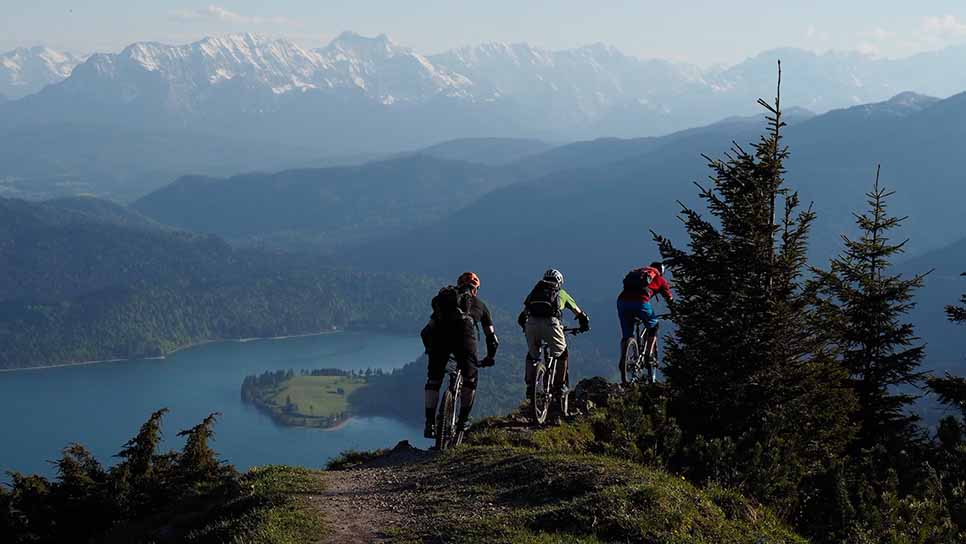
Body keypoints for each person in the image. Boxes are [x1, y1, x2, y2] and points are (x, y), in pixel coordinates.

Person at [421, 271, 498, 439]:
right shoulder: (480, 305)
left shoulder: (443, 306)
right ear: (475, 289)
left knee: (433, 381)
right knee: (470, 380)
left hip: (439, 338)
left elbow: (426, 332)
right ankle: (463, 420)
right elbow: (492, 339)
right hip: (464, 337)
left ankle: (430, 423)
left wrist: (431, 350)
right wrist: (489, 357)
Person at [517, 269, 590, 405]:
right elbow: (579, 313)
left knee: (532, 355)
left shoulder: (535, 292)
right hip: (551, 324)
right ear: (559, 282)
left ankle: (530, 385)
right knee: (562, 353)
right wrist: (584, 324)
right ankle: (560, 385)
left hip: (531, 324)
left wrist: (526, 328)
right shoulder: (561, 293)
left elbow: (522, 316)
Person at [617, 261, 673, 384]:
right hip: (641, 302)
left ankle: (624, 358)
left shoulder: (638, 272)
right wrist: (673, 310)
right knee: (654, 325)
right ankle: (648, 355)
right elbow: (669, 298)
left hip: (622, 302)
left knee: (627, 335)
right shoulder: (659, 279)